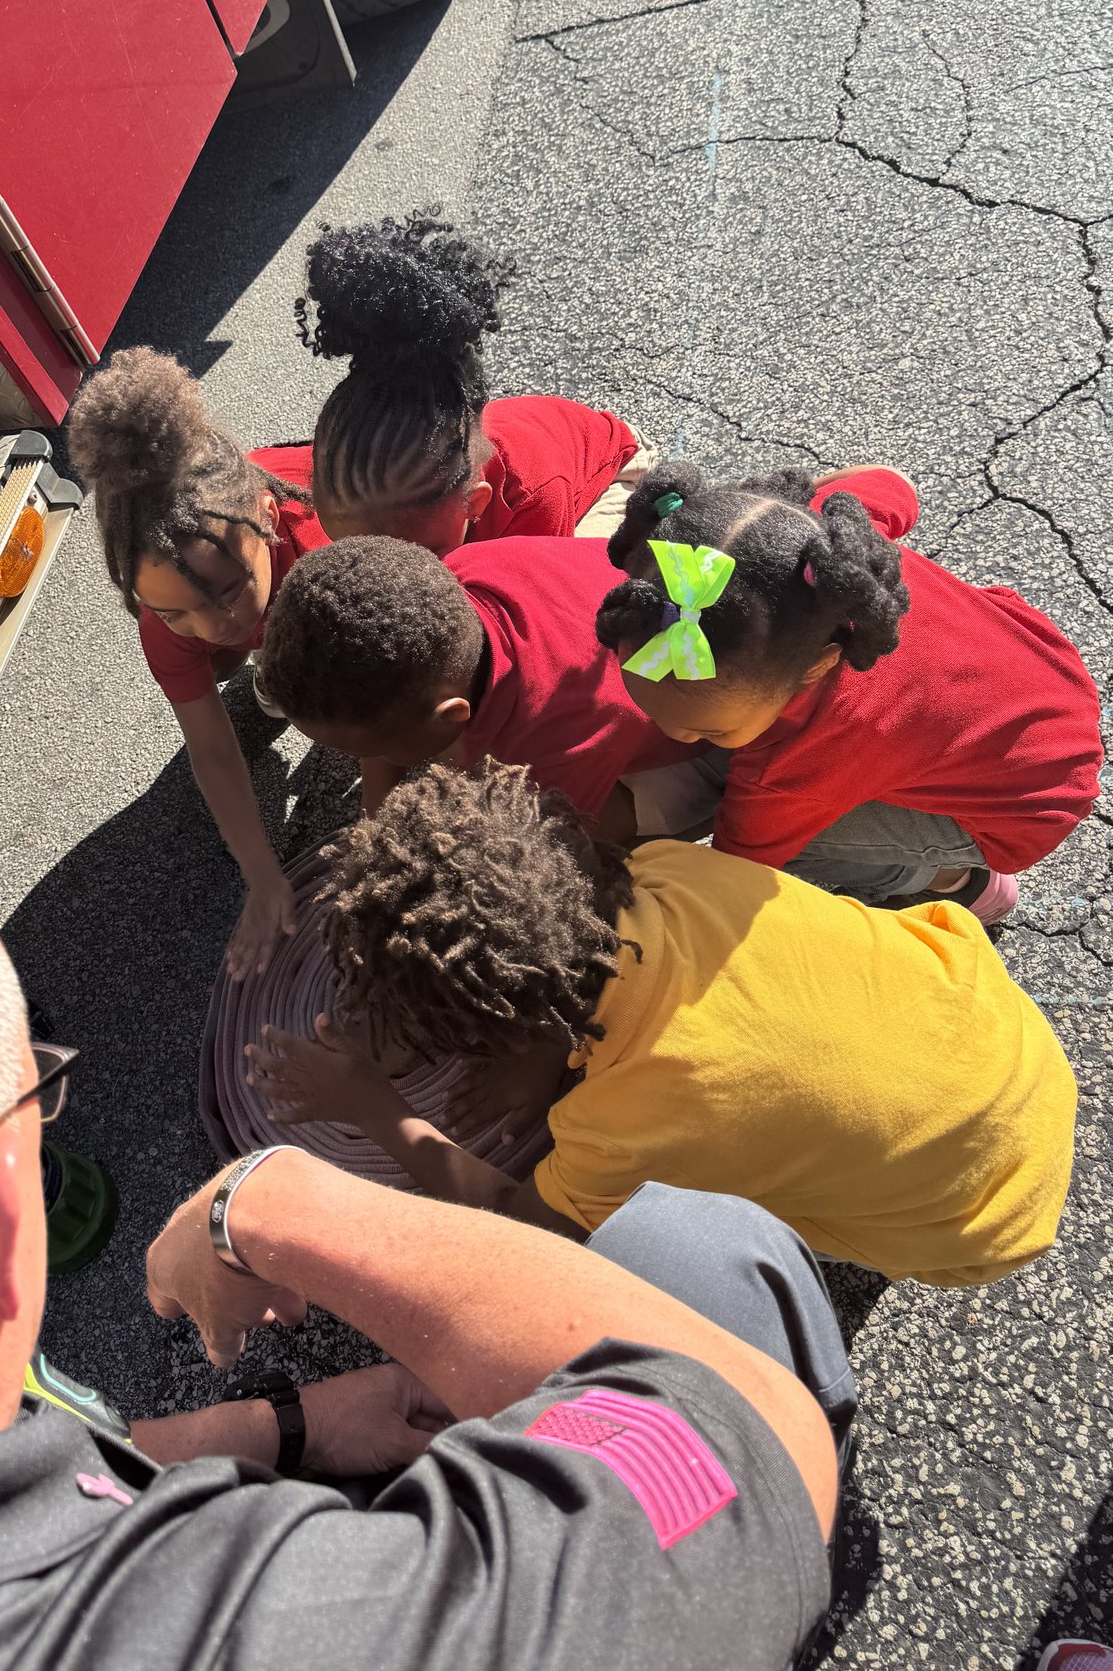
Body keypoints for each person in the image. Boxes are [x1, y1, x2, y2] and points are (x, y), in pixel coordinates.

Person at [0, 842, 847, 1670]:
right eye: (37, 1097)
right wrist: (273, 1204)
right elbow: (742, 1448)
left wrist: (285, 1424)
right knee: (695, 1249)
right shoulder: (271, 1630)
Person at [246, 761, 1077, 1288]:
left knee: (651, 1249)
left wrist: (372, 1108)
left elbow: (528, 1226)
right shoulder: (664, 868)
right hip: (995, 1023)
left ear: (498, 1035)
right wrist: (541, 1049)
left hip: (984, 1215)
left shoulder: (613, 1126)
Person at [595, 462, 1103, 922]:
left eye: (708, 729)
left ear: (819, 666)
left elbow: (741, 863)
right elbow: (893, 483)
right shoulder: (826, 546)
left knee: (790, 844)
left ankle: (956, 883)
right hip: (1037, 670)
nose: (677, 738)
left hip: (1019, 803)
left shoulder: (804, 761)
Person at [66, 347, 327, 975]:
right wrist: (262, 876)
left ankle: (285, 662)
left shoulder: (328, 539)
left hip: (335, 573)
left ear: (268, 518)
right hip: (275, 587)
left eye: (227, 591)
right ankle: (267, 650)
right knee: (215, 652)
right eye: (173, 611)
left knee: (328, 680)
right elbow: (211, 747)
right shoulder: (166, 619)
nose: (209, 626)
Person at [258, 210, 650, 550]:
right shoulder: (365, 479)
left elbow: (540, 590)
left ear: (474, 505)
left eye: (420, 555)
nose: (381, 567)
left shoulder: (533, 498)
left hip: (610, 481)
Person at [255, 529, 690, 821]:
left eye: (370, 750)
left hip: (694, 725)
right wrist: (375, 821)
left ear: (451, 715)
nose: (362, 760)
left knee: (583, 826)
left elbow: (564, 850)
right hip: (617, 595)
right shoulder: (456, 575)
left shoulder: (554, 746)